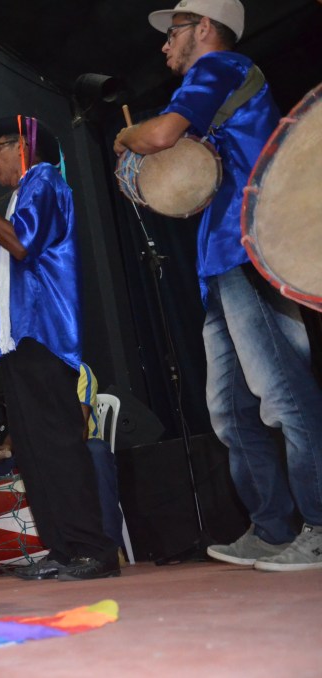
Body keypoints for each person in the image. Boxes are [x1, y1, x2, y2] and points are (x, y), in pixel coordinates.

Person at [115, 0, 322, 571]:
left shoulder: (220, 67)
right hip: (220, 262)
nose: (165, 46)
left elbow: (159, 137)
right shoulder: (220, 88)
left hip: (250, 251)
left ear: (202, 28)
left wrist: (125, 134)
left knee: (282, 394)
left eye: (173, 32)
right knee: (230, 411)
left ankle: (320, 525)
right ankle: (273, 527)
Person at [0, 115, 119, 581]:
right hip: (16, 339)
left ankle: (93, 549)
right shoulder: (17, 198)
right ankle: (62, 546)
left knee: (57, 445)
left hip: (43, 332)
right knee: (33, 450)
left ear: (20, 146)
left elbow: (21, 246)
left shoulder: (43, 180)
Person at [0, 363, 125, 551]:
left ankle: (110, 546)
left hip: (78, 446)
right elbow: (20, 423)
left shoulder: (79, 370)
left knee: (97, 452)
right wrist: (7, 447)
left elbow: (79, 431)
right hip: (40, 448)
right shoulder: (24, 375)